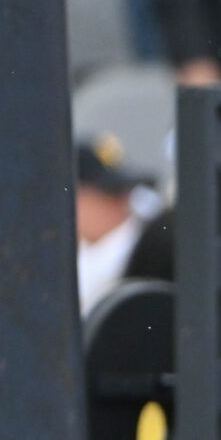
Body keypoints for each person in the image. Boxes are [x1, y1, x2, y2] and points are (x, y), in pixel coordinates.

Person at [75, 135, 174, 318]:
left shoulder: (153, 249)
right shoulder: (62, 258)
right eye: (109, 194)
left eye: (124, 190)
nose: (124, 202)